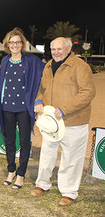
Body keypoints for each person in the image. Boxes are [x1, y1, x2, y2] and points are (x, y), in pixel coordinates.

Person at [31, 37, 96, 206]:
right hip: (51, 122)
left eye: (59, 49)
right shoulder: (48, 66)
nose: (56, 52)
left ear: (68, 49)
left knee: (71, 159)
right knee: (46, 154)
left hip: (73, 121)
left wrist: (65, 109)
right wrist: (38, 100)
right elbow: (42, 89)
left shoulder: (80, 66)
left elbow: (87, 93)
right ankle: (42, 184)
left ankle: (69, 192)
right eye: (53, 49)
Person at [0, 28, 45, 189]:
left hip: (24, 108)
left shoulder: (32, 61)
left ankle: (21, 173)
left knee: (24, 142)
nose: (14, 45)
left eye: (17, 42)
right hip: (7, 107)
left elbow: (45, 73)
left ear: (22, 44)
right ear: (7, 44)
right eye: (11, 42)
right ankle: (11, 170)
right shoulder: (4, 61)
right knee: (9, 140)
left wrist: (38, 99)